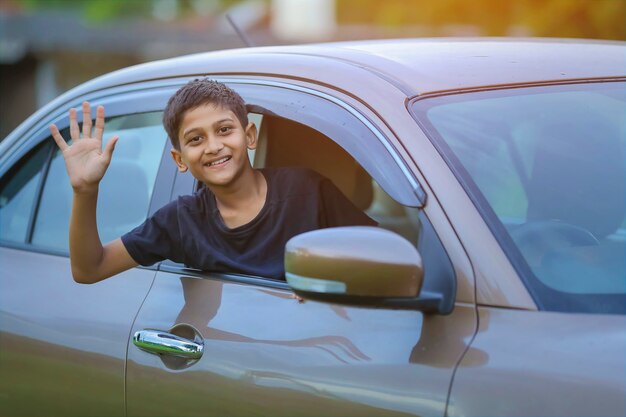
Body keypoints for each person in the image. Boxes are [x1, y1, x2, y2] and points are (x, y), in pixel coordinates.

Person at [50, 79, 376, 284]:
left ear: (249, 135)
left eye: (224, 130)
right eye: (195, 139)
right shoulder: (181, 220)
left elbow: (382, 257)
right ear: (180, 160)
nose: (214, 146)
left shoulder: (306, 191)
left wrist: (326, 282)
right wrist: (85, 190)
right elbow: (90, 269)